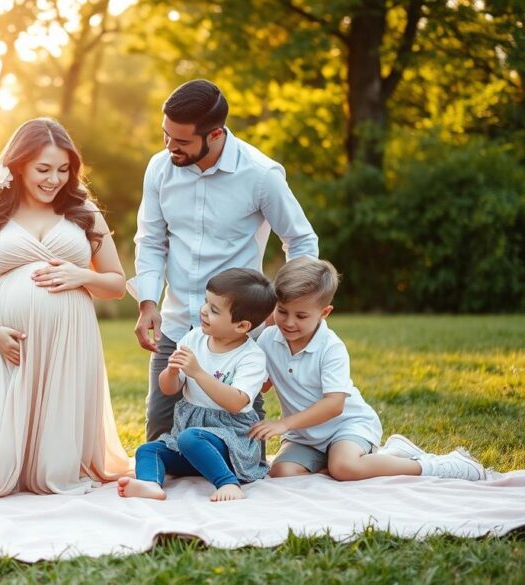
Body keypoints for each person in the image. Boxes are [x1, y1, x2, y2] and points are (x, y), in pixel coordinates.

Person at [0, 117, 131, 501]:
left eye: (64, 170)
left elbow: (117, 285)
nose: (54, 179)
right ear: (18, 166)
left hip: (68, 343)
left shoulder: (83, 212)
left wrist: (81, 275)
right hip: (9, 345)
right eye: (44, 169)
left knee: (56, 469)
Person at [131, 79, 319, 443]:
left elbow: (300, 240)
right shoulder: (159, 168)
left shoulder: (260, 175)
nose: (170, 147)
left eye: (181, 141)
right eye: (165, 135)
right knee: (159, 438)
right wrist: (147, 302)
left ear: (215, 134)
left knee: (241, 443)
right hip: (176, 323)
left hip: (238, 333)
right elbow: (151, 241)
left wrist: (278, 309)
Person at [250, 257, 486, 481]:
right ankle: (360, 460)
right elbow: (264, 385)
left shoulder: (330, 347)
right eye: (282, 311)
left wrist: (284, 424)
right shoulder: (268, 340)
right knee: (281, 473)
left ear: (324, 313)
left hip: (347, 426)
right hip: (304, 435)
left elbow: (334, 405)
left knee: (345, 467)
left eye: (301, 315)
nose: (289, 322)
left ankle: (432, 465)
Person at [119, 268, 276, 502]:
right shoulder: (194, 339)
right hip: (189, 436)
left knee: (191, 438)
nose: (203, 310)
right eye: (205, 302)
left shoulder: (251, 356)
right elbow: (169, 388)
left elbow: (236, 403)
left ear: (242, 326)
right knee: (149, 449)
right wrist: (172, 371)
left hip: (231, 442)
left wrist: (198, 372)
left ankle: (229, 483)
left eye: (214, 309)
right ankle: (150, 484)